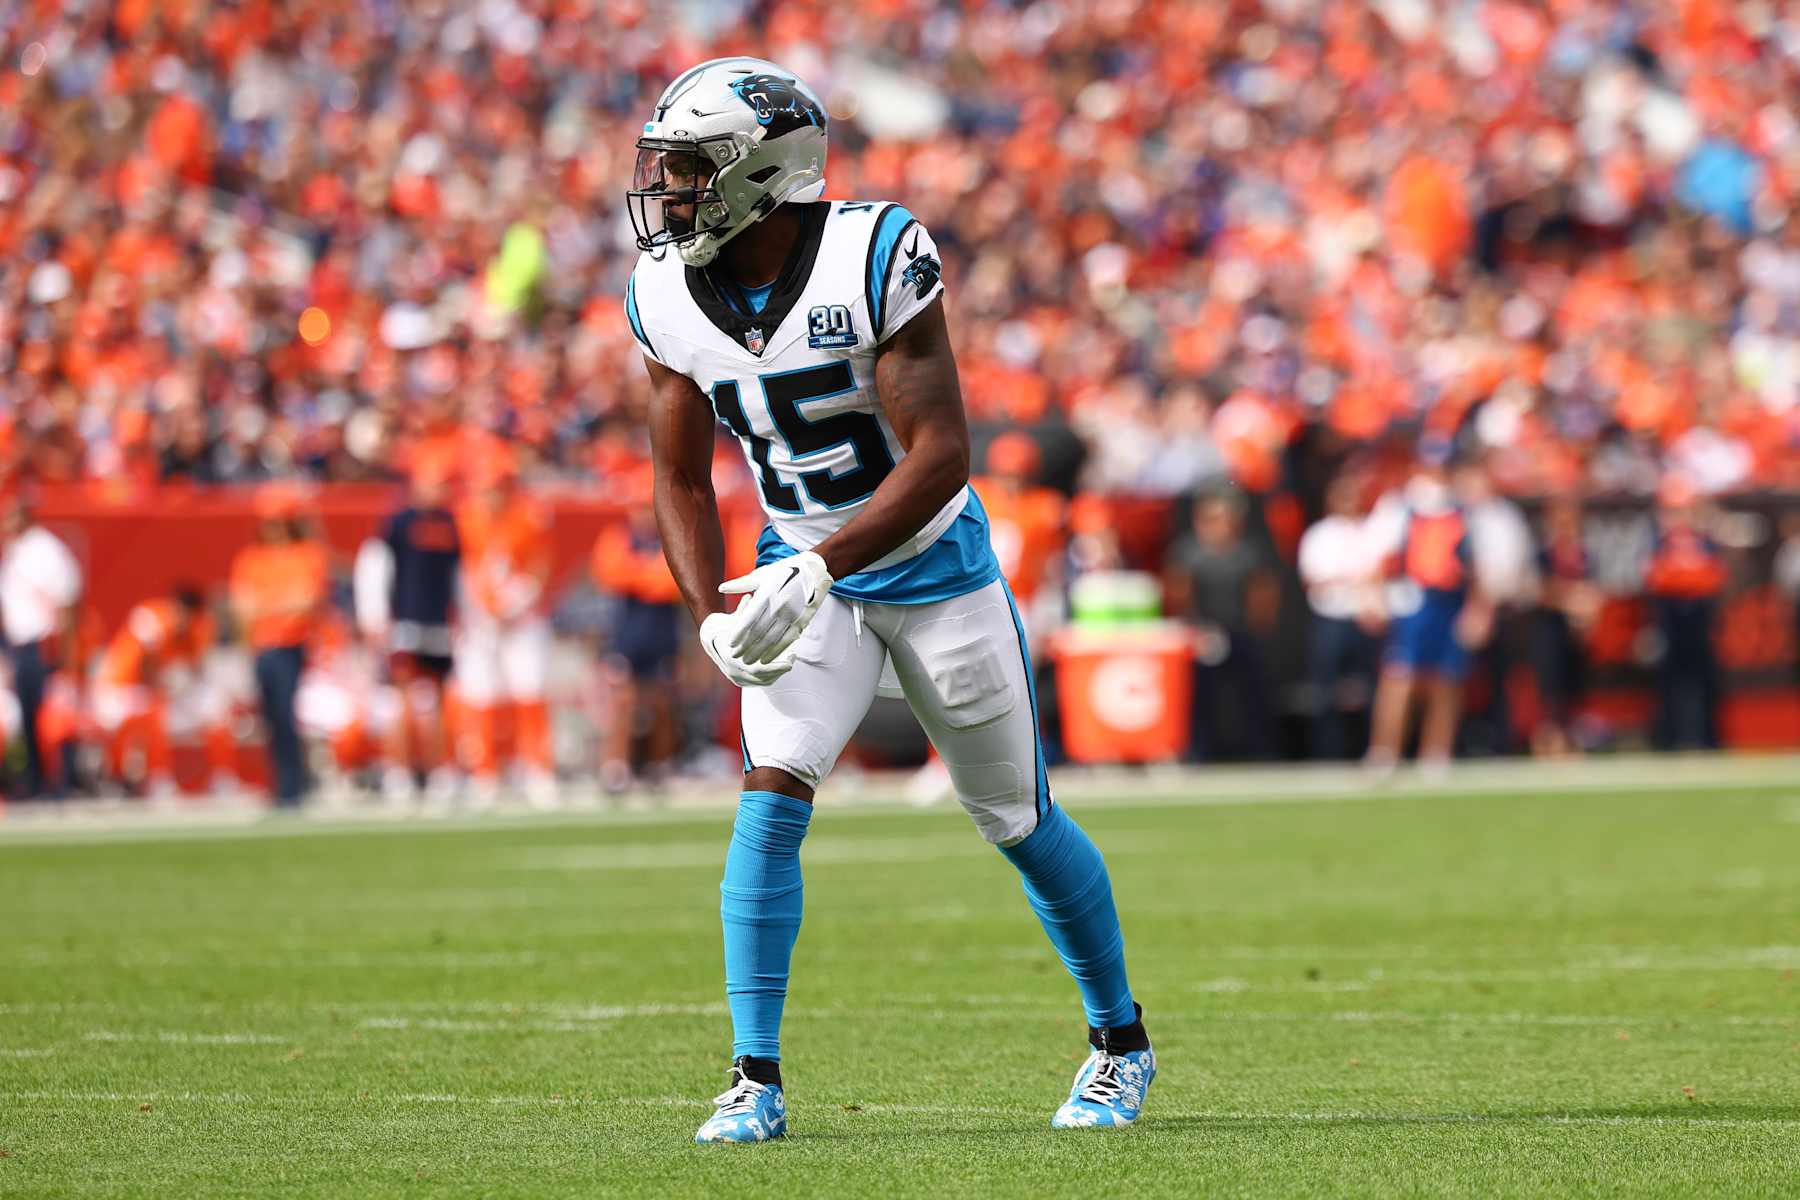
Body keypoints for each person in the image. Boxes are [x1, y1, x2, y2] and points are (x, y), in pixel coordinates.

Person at [626, 57, 1152, 1142]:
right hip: (800, 569)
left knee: (1015, 818)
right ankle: (754, 1079)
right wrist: (709, 616)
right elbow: (678, 476)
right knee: (770, 795)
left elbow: (943, 453)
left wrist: (819, 567)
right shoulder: (665, 293)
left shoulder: (875, 252)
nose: (668, 191)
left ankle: (1120, 1044)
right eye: (664, 169)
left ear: (762, 172)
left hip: (932, 570)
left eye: (688, 170)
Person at [1364, 443, 1494, 776]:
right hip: (1412, 601)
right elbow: (1377, 561)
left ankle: (1436, 753)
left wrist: (1478, 610)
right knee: (1400, 677)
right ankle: (1385, 751)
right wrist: (1374, 599)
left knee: (1446, 680)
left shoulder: (1465, 511)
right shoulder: (1399, 508)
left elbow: (1476, 567)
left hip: (1449, 602)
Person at [454, 447, 557, 808]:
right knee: (483, 696)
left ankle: (537, 770)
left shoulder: (528, 514)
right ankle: (486, 773)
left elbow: (541, 566)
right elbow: (466, 569)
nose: (490, 493)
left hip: (523, 617)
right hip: (481, 618)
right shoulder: (467, 517)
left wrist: (518, 602)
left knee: (529, 691)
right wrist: (482, 607)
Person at [357, 461, 462, 806]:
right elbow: (375, 567)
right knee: (401, 700)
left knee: (438, 704)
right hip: (406, 623)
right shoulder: (400, 523)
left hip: (440, 626)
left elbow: (458, 576)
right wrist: (374, 617)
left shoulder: (449, 523)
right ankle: (399, 772)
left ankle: (437, 771)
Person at [230, 485, 329, 807]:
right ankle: (279, 783)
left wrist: (268, 606)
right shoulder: (251, 558)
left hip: (292, 645)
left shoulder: (306, 554)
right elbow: (243, 607)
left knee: (287, 714)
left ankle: (293, 785)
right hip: (263, 647)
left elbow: (307, 602)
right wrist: (279, 606)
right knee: (270, 718)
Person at [90, 585, 238, 800]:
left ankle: (224, 777)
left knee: (215, 707)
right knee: (154, 709)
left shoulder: (199, 627)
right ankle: (156, 778)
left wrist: (183, 682)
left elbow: (197, 667)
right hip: (121, 689)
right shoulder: (151, 617)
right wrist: (166, 684)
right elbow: (146, 668)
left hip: (163, 692)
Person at [1165, 490, 1280, 761]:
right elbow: (1178, 595)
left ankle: (1260, 750)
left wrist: (1258, 629)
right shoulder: (1188, 552)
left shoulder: (1248, 552)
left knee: (1253, 692)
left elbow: (1262, 594)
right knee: (1199, 696)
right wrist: (1195, 630)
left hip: (1240, 632)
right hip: (1201, 633)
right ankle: (1197, 751)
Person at [590, 498, 684, 792]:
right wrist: (649, 575)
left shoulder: (670, 538)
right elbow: (612, 574)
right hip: (626, 637)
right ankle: (616, 767)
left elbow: (672, 583)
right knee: (622, 704)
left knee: (663, 704)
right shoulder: (617, 538)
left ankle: (661, 766)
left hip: (662, 635)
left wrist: (641, 576)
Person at [0, 492, 83, 799]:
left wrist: (64, 651)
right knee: (28, 715)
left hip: (44, 644)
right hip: (19, 645)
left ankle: (63, 783)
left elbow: (65, 601)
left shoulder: (46, 550)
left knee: (54, 717)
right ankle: (35, 782)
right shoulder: (16, 552)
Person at [1297, 474, 1381, 760]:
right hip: (1331, 618)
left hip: (1365, 618)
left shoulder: (1371, 530)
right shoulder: (1320, 534)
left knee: (1370, 689)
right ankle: (1327, 753)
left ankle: (1371, 749)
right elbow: (1316, 577)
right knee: (1326, 690)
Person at [1644, 478, 1726, 750]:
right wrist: (1687, 579)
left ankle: (1708, 741)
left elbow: (1713, 579)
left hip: (1699, 623)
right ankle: (1669, 742)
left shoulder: (1705, 542)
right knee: (1668, 685)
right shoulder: (1659, 543)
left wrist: (1683, 579)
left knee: (1706, 683)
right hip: (1670, 623)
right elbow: (1656, 580)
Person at [1530, 497, 1599, 756]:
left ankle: (1572, 738)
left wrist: (1587, 609)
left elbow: (1593, 588)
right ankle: (1549, 741)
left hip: (1576, 633)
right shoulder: (1544, 553)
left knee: (1574, 687)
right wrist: (1570, 600)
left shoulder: (1583, 555)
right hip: (1550, 628)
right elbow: (1539, 590)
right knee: (1550, 688)